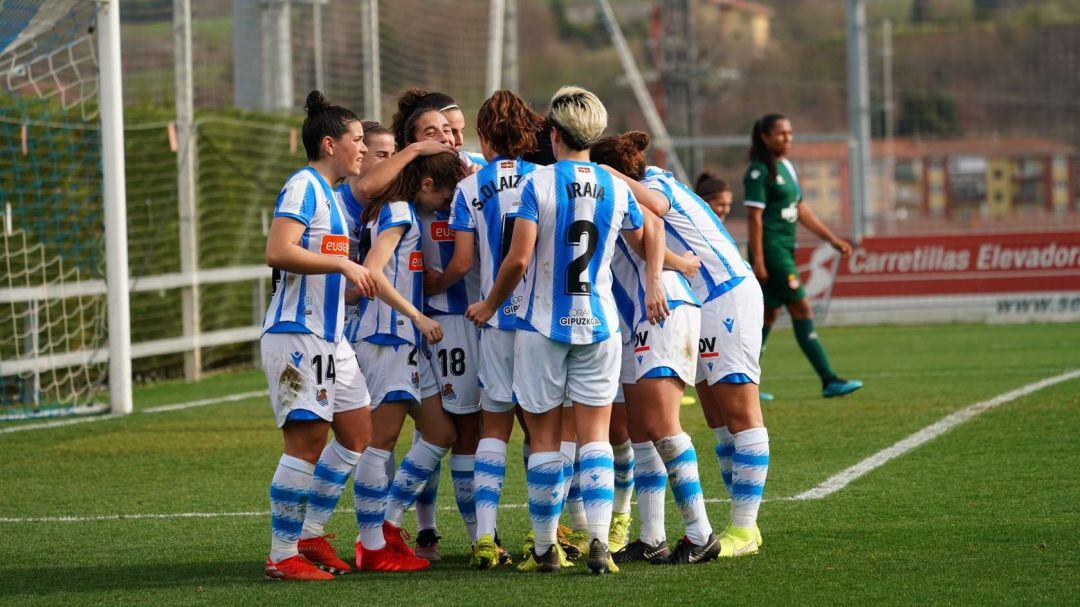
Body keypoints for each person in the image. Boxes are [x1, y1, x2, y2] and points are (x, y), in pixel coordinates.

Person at [466, 86, 667, 575]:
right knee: (595, 437)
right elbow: (650, 232)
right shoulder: (617, 188)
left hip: (541, 327)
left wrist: (490, 304)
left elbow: (516, 259)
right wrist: (657, 276)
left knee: (547, 440)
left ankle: (543, 550)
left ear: (553, 134)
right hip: (599, 325)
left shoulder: (538, 183)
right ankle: (599, 543)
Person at [601, 130, 770, 559]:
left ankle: (743, 528)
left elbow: (655, 212)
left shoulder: (654, 186)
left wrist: (606, 174)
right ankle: (661, 534)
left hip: (724, 292)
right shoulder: (647, 183)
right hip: (695, 298)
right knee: (714, 415)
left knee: (740, 411)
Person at [261, 91, 378, 581]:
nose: (363, 151)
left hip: (331, 339)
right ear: (330, 144)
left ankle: (309, 533)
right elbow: (277, 250)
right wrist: (339, 263)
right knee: (305, 442)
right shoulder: (303, 187)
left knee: (356, 433)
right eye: (356, 141)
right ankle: (282, 553)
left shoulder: (332, 196)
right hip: (296, 335)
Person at [595, 132, 725, 564]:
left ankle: (701, 532)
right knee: (639, 431)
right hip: (639, 316)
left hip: (663, 307)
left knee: (661, 424)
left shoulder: (610, 188)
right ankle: (652, 538)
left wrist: (656, 280)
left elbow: (650, 227)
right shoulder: (595, 188)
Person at [428, 89, 544, 569]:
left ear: (481, 136)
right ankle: (550, 537)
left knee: (491, 429)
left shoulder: (469, 189)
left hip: (493, 322)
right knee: (542, 430)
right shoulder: (545, 178)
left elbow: (461, 262)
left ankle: (485, 537)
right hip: (542, 321)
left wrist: (430, 285)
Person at [350, 150, 462, 572]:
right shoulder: (398, 211)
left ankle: (390, 526)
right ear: (427, 185)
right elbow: (373, 272)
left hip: (407, 342)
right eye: (446, 196)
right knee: (379, 443)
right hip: (386, 338)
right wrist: (415, 315)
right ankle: (372, 546)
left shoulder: (404, 212)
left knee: (439, 432)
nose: (447, 207)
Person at [745, 114, 862, 398]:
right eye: (781, 133)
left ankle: (745, 383)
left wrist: (831, 239)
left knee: (769, 314)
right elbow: (754, 218)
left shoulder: (786, 167)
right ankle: (828, 379)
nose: (788, 139)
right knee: (802, 308)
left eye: (790, 133)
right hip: (772, 251)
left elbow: (801, 210)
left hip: (784, 249)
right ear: (765, 137)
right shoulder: (758, 172)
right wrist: (758, 259)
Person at [695, 172, 776, 402]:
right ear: (705, 201)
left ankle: (747, 389)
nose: (725, 209)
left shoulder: (714, 227)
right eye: (720, 203)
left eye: (728, 204)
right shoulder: (699, 228)